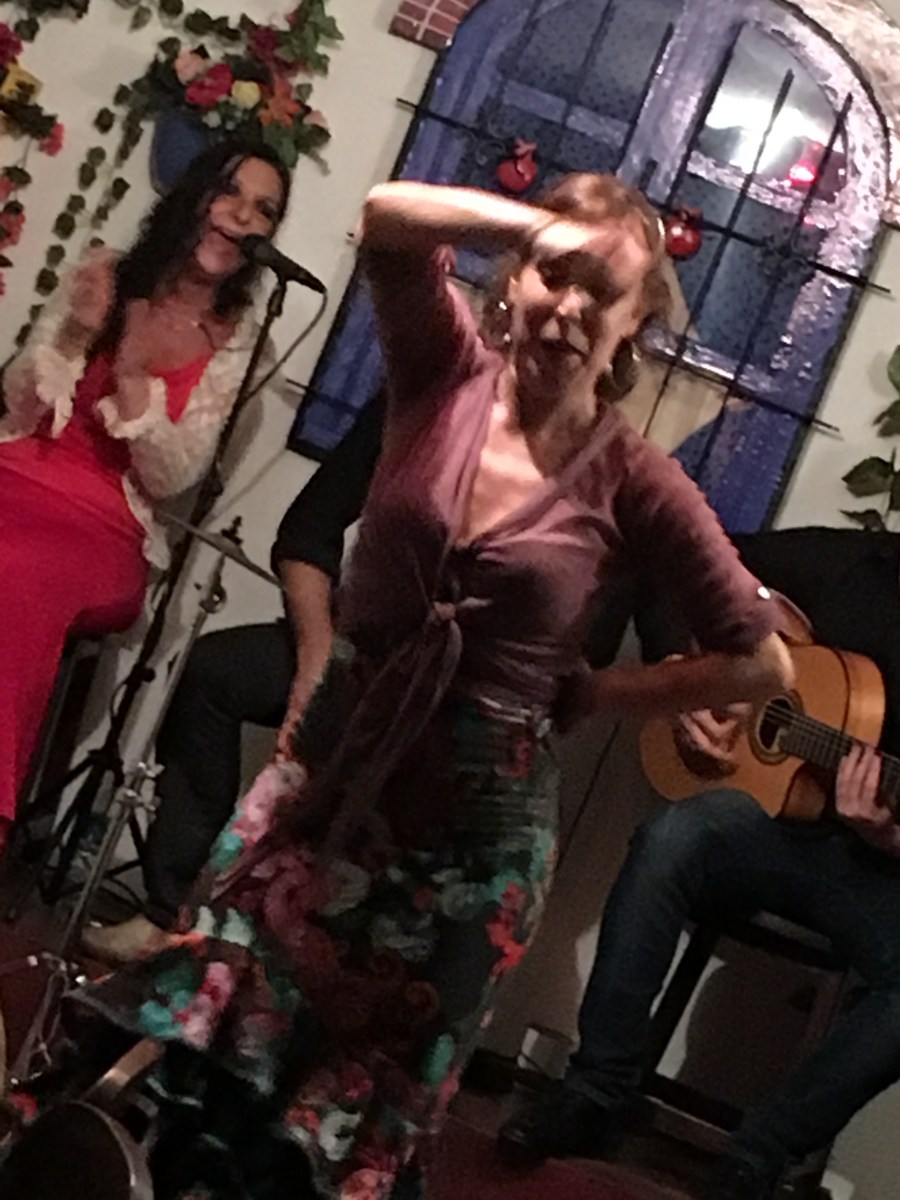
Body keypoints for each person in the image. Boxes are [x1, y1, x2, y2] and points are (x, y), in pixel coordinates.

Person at [74, 173, 791, 1200]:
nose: (570, 305)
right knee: (221, 1045)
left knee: (349, 1118)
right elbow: (386, 219)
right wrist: (542, 225)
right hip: (330, 779)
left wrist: (601, 693)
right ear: (516, 278)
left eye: (604, 291)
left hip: (476, 840)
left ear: (637, 324)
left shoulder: (638, 480)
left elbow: (759, 660)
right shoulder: (441, 371)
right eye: (554, 274)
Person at [498, 525, 900, 1200]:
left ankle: (759, 1159)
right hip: (767, 828)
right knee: (674, 838)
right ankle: (595, 1094)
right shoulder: (849, 562)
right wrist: (688, 681)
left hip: (877, 875)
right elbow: (669, 562)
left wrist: (889, 839)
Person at [0, 139, 292, 846]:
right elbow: (18, 404)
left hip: (107, 526)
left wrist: (132, 376)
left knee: (15, 572)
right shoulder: (106, 273)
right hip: (17, 472)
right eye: (231, 192)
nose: (243, 216)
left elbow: (171, 478)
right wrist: (78, 330)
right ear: (193, 195)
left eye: (264, 210)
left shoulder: (243, 347)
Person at [81, 392, 385, 965]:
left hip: (458, 687)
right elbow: (306, 536)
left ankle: (293, 959)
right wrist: (315, 666)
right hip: (362, 648)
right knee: (214, 672)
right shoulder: (418, 394)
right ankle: (167, 915)